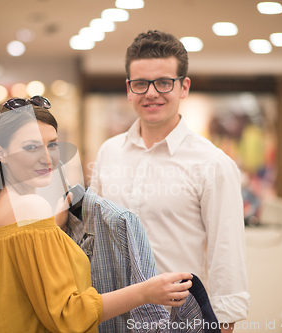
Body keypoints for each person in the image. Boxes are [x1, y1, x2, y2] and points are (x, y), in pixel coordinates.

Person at [0, 96, 193, 332]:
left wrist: (52, 225)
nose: (47, 157)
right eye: (31, 147)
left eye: (52, 144)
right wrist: (145, 292)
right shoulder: (30, 208)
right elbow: (69, 315)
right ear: (0, 153)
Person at [89, 30, 250, 332]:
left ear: (183, 86)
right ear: (129, 89)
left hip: (179, 321)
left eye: (164, 82)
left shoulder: (212, 163)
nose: (151, 93)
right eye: (140, 84)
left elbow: (226, 259)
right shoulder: (108, 152)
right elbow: (93, 236)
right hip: (112, 317)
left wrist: (224, 325)